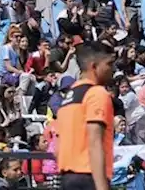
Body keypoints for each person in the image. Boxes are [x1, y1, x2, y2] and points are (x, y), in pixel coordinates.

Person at [54, 41, 115, 190]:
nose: (112, 69)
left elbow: (57, 148)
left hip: (67, 177)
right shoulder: (96, 93)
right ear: (93, 66)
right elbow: (95, 142)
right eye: (109, 64)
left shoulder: (68, 98)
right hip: (90, 176)